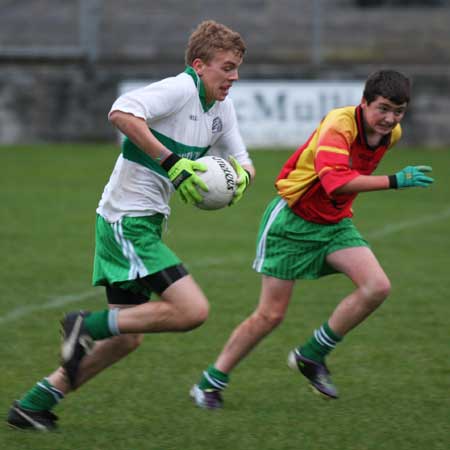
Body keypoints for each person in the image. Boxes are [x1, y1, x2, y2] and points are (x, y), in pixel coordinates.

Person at [7, 19, 255, 431]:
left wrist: (240, 179)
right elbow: (120, 111)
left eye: (237, 68)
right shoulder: (179, 89)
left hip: (147, 224)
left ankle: (33, 405)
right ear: (199, 65)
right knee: (193, 310)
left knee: (125, 339)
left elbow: (244, 162)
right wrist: (173, 163)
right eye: (227, 67)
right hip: (126, 221)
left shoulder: (221, 109)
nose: (234, 76)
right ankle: (85, 324)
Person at [191, 69, 434, 409]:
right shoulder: (339, 125)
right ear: (363, 103)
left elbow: (346, 184)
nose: (389, 119)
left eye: (398, 111)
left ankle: (312, 355)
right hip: (292, 223)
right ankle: (209, 383)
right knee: (270, 316)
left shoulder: (390, 134)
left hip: (334, 224)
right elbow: (336, 182)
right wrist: (394, 181)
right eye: (382, 108)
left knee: (377, 286)